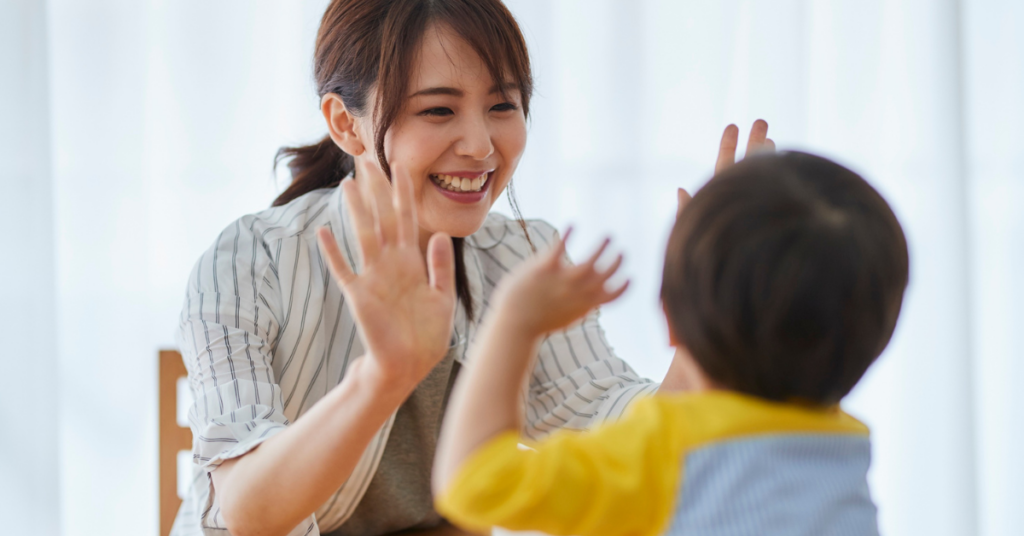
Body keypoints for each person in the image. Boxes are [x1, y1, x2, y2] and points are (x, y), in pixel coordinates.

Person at [172, 0, 774, 534]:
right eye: (438, 111)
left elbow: (623, 434)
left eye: (502, 105)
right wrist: (383, 377)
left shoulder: (521, 258)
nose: (482, 145)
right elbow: (249, 513)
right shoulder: (252, 262)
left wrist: (713, 310)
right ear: (344, 122)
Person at [432, 151, 910, 536]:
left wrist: (515, 321)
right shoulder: (843, 451)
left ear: (671, 323)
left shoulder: (662, 452)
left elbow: (471, 484)